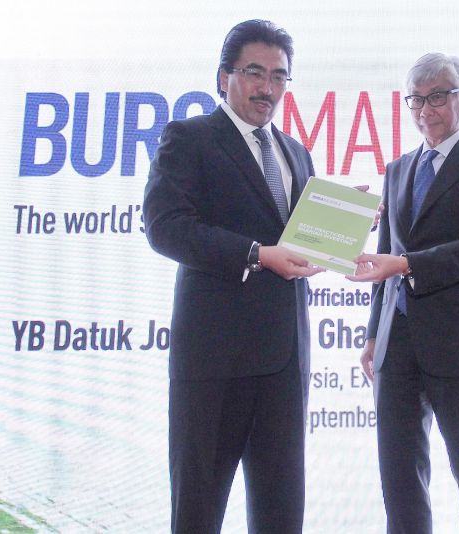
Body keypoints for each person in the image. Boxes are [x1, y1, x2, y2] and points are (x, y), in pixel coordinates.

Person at [143, 19, 324, 533]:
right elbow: (165, 226)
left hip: (285, 364)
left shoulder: (297, 152)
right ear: (224, 77)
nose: (268, 87)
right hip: (214, 363)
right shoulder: (190, 137)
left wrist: (341, 223)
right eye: (255, 73)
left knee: (281, 515)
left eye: (279, 76)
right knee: (198, 513)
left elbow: (296, 245)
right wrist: (255, 254)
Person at [348, 53, 459, 534]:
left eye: (438, 96)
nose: (426, 110)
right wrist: (373, 334)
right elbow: (385, 255)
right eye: (416, 100)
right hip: (396, 345)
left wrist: (406, 265)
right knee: (399, 478)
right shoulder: (398, 168)